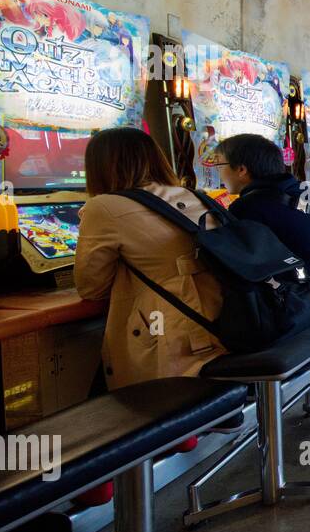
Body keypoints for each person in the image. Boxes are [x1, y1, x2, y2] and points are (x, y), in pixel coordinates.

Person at [74, 127, 227, 388]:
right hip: (224, 319)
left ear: (99, 167)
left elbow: (91, 287)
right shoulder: (195, 196)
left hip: (172, 336)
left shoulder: (103, 207)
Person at [216, 133, 310, 312]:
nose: (218, 171)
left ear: (241, 170)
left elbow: (237, 262)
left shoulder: (248, 206)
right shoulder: (295, 191)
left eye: (220, 164)